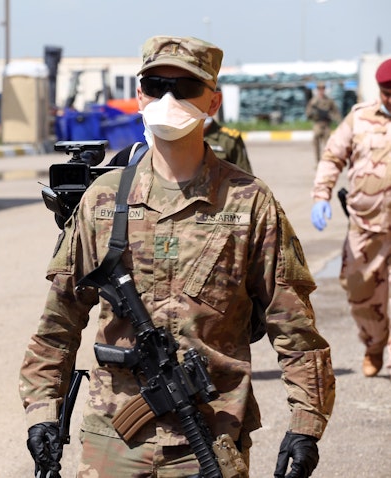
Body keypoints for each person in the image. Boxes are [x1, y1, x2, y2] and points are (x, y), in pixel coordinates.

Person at [20, 36, 335, 477]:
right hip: (114, 439)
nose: (168, 98)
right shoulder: (103, 201)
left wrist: (305, 425)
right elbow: (58, 324)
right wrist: (42, 414)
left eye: (184, 87)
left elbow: (294, 328)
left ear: (213, 101)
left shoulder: (249, 203)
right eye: (155, 84)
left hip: (211, 435)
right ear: (139, 95)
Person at [310, 58, 391, 378]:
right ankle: (374, 343)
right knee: (359, 289)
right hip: (366, 223)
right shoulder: (359, 118)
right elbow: (332, 156)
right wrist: (321, 196)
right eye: (387, 92)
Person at [305, 83, 341, 163]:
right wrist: (313, 114)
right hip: (318, 124)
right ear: (317, 89)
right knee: (316, 143)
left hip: (326, 125)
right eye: (319, 88)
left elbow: (335, 112)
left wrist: (339, 122)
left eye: (323, 88)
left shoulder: (329, 100)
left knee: (328, 145)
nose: (321, 90)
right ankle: (318, 162)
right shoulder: (314, 101)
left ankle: (326, 162)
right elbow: (308, 113)